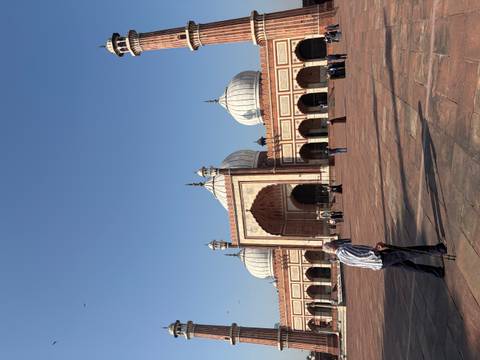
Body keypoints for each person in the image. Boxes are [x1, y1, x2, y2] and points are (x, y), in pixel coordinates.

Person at [322, 240, 446, 278]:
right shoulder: (343, 251)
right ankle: (438, 249)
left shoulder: (341, 258)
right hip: (380, 258)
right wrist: (376, 249)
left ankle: (437, 272)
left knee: (408, 265)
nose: (334, 242)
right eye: (332, 242)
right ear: (332, 246)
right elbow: (361, 255)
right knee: (409, 252)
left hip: (378, 265)